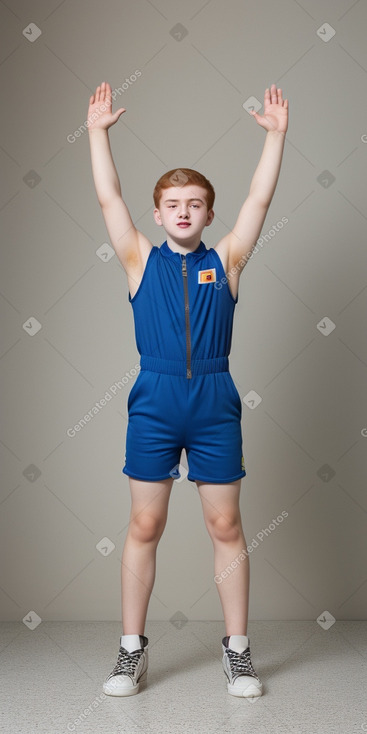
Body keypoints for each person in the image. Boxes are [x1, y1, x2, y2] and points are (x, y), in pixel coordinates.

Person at [88, 81, 288, 699]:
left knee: (226, 523)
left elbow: (258, 199)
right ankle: (130, 652)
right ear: (157, 214)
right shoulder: (137, 260)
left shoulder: (226, 260)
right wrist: (96, 133)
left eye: (195, 203)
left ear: (207, 212)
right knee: (144, 524)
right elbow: (108, 198)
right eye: (172, 203)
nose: (182, 211)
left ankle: (238, 652)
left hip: (214, 402)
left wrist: (276, 138)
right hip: (153, 400)